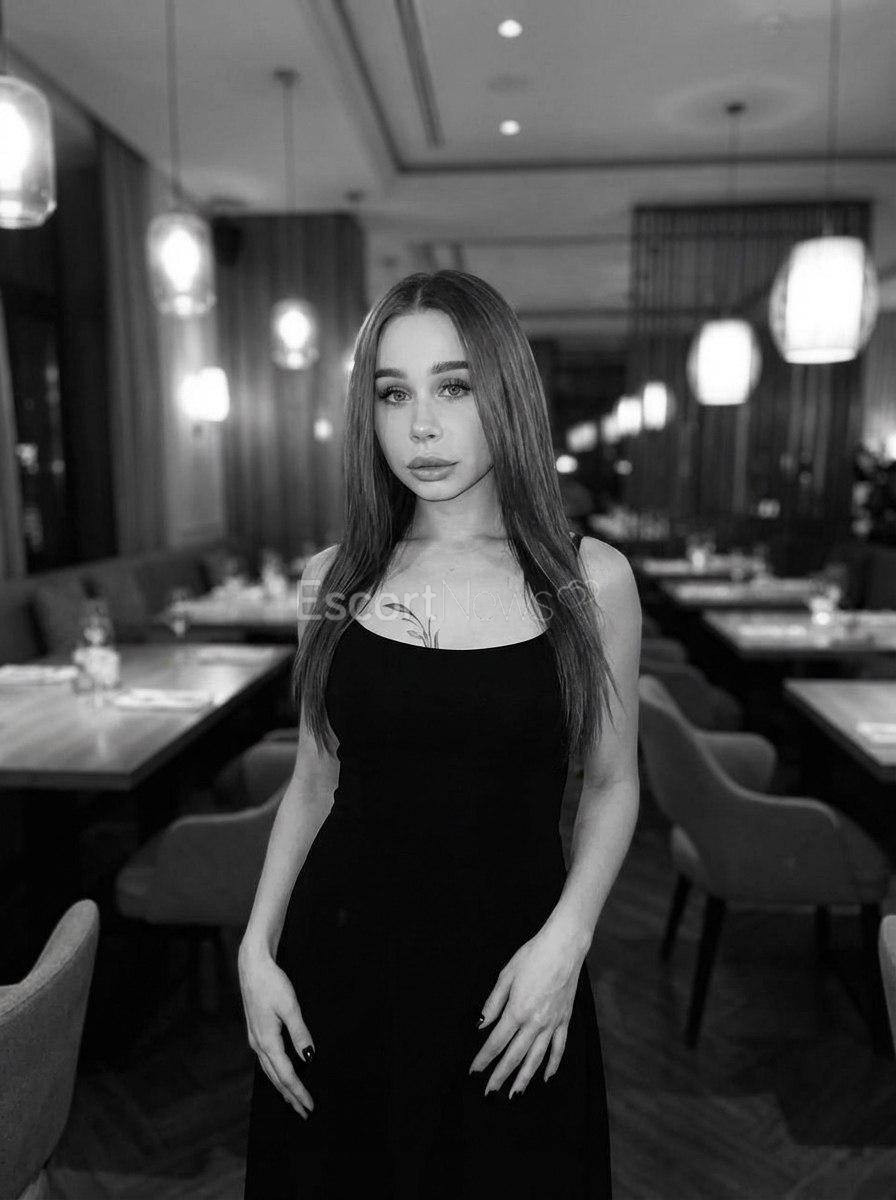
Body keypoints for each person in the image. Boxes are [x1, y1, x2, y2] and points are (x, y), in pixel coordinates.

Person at [239, 269, 641, 1198]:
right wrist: (257, 949)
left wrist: (569, 941)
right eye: (394, 394)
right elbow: (314, 781)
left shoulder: (589, 580)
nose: (421, 426)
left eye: (453, 387)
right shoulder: (332, 579)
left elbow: (613, 782)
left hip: (517, 973)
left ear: (506, 394)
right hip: (338, 968)